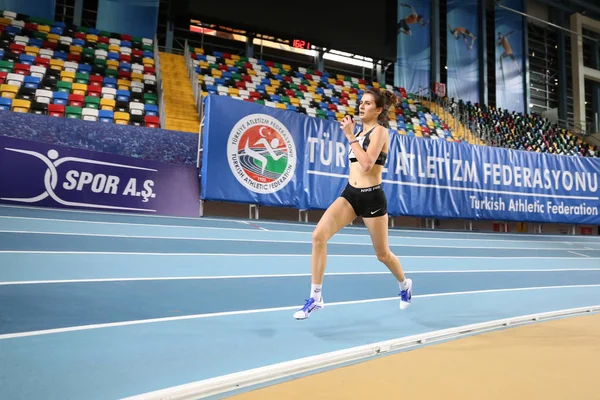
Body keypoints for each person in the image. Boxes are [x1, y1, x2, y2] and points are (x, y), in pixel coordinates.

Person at [293, 88, 413, 320]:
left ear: (378, 110)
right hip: (350, 194)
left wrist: (349, 135)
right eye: (361, 102)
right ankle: (316, 297)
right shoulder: (358, 132)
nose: (361, 106)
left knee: (382, 254)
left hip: (372, 197)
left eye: (367, 103)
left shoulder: (380, 132)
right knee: (318, 236)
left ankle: (404, 283)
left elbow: (367, 164)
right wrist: (353, 135)